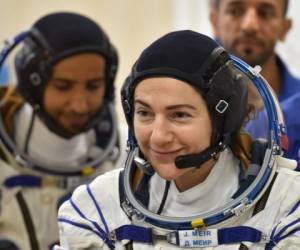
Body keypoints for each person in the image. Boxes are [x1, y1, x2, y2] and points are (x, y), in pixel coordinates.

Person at [57, 30, 300, 250]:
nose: (159, 137)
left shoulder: (286, 207)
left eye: (180, 115)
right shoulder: (97, 210)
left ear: (222, 121)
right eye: (144, 113)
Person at [0, 12, 125, 249]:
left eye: (93, 86)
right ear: (32, 83)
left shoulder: (125, 155)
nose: (79, 105)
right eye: (63, 86)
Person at [209, 0, 300, 166]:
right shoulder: (183, 102)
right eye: (236, 11)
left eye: (265, 13)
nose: (249, 25)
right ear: (215, 21)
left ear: (285, 28)